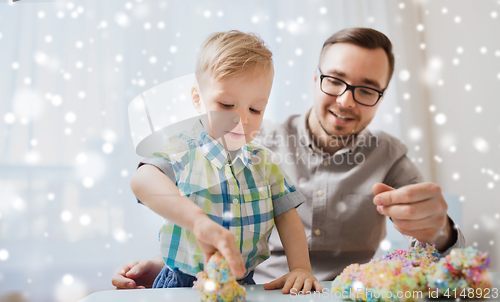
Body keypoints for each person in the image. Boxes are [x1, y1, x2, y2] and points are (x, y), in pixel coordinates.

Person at [112, 27, 465, 291]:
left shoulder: (390, 155)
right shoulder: (241, 142)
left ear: (382, 96)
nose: (345, 100)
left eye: (366, 89)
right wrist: (170, 266)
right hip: (257, 289)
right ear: (315, 78)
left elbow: (445, 248)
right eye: (335, 80)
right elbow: (154, 182)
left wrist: (441, 230)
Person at [127, 30, 322, 293]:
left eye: (255, 109)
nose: (241, 119)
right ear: (197, 99)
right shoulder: (183, 148)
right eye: (227, 104)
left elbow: (287, 217)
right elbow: (143, 180)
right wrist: (198, 221)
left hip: (243, 283)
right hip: (182, 284)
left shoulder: (265, 163)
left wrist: (300, 268)